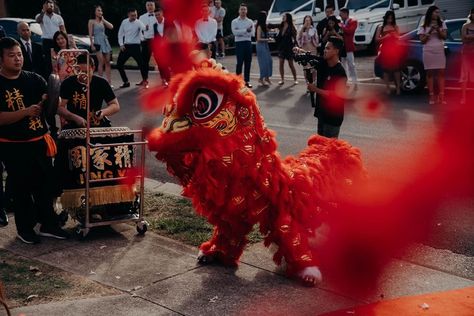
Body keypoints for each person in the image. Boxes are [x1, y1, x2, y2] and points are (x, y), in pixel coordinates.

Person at [0, 37, 69, 243]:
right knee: (21, 189)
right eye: (11, 56)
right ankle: (25, 229)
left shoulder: (34, 78)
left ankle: (49, 224)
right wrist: (25, 112)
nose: (17, 59)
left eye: (19, 54)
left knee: (46, 186)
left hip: (39, 141)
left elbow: (52, 103)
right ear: (1, 60)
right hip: (13, 146)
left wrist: (52, 99)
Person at [58, 54, 119, 129]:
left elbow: (115, 105)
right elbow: (59, 107)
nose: (83, 75)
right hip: (73, 123)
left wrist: (103, 113)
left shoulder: (102, 83)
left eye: (86, 72)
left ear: (93, 68)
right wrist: (74, 117)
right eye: (79, 71)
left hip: (96, 123)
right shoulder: (68, 83)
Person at [304, 37, 347, 138]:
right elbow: (313, 58)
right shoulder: (324, 64)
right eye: (325, 48)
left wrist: (315, 89)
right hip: (322, 114)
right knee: (320, 147)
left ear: (336, 51)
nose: (324, 50)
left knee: (329, 150)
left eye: (328, 48)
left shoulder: (340, 72)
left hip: (332, 118)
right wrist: (300, 52)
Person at [418, 5, 447, 105]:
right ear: (430, 13)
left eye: (438, 12)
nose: (437, 14)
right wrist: (430, 31)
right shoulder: (423, 25)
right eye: (435, 12)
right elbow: (422, 41)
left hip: (439, 49)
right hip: (428, 50)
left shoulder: (442, 23)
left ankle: (441, 96)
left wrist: (438, 29)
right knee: (430, 73)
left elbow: (444, 36)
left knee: (441, 72)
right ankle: (431, 95)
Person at [117, 8, 146, 89]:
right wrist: (121, 44)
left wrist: (146, 28)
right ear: (128, 15)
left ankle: (144, 81)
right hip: (126, 46)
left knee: (142, 64)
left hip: (135, 47)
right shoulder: (124, 22)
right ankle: (126, 82)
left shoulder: (138, 22)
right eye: (132, 15)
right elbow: (120, 34)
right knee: (119, 64)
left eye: (135, 15)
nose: (134, 17)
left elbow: (143, 27)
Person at [35, 0, 66, 78]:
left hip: (57, 41)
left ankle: (60, 78)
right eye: (48, 4)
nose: (50, 6)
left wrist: (65, 40)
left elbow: (63, 30)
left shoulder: (58, 17)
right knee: (48, 63)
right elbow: (38, 21)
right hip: (47, 42)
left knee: (60, 61)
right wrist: (43, 11)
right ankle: (49, 82)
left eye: (52, 5)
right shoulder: (40, 15)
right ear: (44, 6)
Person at [375, 10, 402, 95]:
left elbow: (399, 38)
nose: (390, 19)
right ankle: (387, 87)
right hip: (385, 50)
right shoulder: (381, 27)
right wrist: (385, 37)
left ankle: (397, 87)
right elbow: (376, 39)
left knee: (396, 69)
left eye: (391, 18)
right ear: (386, 18)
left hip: (394, 50)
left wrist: (395, 36)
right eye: (388, 18)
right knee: (386, 70)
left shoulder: (395, 27)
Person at [88, 5, 113, 85]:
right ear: (95, 12)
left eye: (101, 11)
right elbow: (90, 34)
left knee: (108, 62)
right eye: (98, 10)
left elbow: (111, 27)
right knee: (101, 62)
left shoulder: (102, 21)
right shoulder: (91, 21)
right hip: (97, 42)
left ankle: (109, 82)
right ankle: (100, 82)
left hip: (105, 41)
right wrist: (92, 45)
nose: (100, 12)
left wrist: (104, 20)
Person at [231, 3, 254, 88]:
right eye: (241, 9)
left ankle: (247, 81)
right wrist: (245, 30)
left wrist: (240, 31)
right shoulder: (234, 21)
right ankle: (238, 81)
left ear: (247, 11)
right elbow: (235, 33)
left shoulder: (250, 21)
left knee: (248, 62)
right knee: (239, 62)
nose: (243, 11)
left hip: (248, 42)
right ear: (239, 11)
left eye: (244, 9)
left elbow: (251, 34)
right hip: (239, 43)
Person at [297, 15, 318, 105]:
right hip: (304, 50)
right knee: (306, 69)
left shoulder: (314, 29)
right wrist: (303, 29)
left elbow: (317, 40)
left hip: (312, 49)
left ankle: (314, 84)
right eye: (306, 20)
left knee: (313, 69)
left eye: (309, 20)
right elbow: (298, 38)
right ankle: (308, 85)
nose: (308, 22)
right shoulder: (301, 28)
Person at [139, 1, 157, 89]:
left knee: (161, 61)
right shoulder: (141, 17)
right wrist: (142, 38)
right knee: (144, 62)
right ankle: (145, 79)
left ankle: (165, 79)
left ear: (154, 6)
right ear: (146, 7)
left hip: (156, 41)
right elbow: (139, 30)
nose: (150, 7)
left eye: (151, 5)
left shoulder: (158, 16)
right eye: (148, 5)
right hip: (146, 41)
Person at [339, 8, 358, 91]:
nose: (340, 15)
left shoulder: (353, 21)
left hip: (349, 47)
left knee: (351, 66)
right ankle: (345, 82)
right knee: (343, 66)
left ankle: (355, 83)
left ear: (346, 14)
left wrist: (341, 26)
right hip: (342, 48)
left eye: (341, 14)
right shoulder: (341, 22)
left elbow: (350, 31)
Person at [276, 13, 298, 85]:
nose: (283, 18)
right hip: (282, 47)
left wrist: (295, 46)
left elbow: (295, 38)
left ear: (288, 18)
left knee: (290, 64)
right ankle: (282, 79)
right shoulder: (281, 26)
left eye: (284, 17)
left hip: (289, 47)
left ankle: (295, 79)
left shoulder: (291, 26)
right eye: (283, 17)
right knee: (281, 63)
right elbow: (279, 35)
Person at [460, 8, 474, 105]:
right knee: (464, 76)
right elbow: (464, 39)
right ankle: (463, 98)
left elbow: (467, 37)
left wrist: (469, 37)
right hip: (466, 53)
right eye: (473, 13)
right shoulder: (465, 26)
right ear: (471, 14)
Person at [255, 11, 272, 86]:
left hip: (265, 45)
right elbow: (258, 39)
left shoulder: (264, 26)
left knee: (269, 61)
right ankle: (261, 78)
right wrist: (267, 39)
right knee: (263, 63)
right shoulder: (259, 27)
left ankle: (267, 77)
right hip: (260, 45)